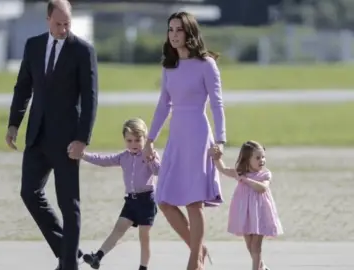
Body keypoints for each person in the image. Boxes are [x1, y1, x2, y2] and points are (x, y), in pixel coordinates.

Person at [4, 0, 98, 269]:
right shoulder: (33, 46)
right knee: (29, 193)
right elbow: (23, 87)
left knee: (69, 204)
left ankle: (69, 264)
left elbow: (91, 99)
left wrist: (83, 139)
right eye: (58, 24)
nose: (63, 29)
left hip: (68, 141)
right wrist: (13, 124)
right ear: (48, 20)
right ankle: (67, 251)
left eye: (67, 23)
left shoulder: (82, 51)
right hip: (37, 136)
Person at [142, 11, 225, 270]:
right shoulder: (169, 66)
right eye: (170, 30)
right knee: (165, 201)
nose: (174, 34)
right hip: (177, 137)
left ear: (189, 32)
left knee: (193, 201)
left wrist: (220, 141)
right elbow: (162, 106)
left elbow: (217, 104)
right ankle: (199, 249)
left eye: (178, 29)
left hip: (199, 135)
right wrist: (150, 139)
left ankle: (193, 264)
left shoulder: (206, 65)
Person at [81, 118, 159, 270]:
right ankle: (97, 257)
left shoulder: (150, 154)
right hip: (131, 201)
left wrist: (151, 159)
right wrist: (83, 155)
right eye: (129, 140)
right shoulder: (123, 157)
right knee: (118, 230)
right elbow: (103, 160)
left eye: (138, 140)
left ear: (145, 139)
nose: (133, 144)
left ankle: (143, 267)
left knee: (144, 237)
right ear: (124, 140)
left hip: (147, 200)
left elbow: (159, 171)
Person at [208, 141, 283, 270]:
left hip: (260, 213)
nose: (262, 160)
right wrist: (216, 158)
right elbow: (223, 169)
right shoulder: (240, 172)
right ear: (248, 159)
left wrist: (246, 180)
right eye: (258, 158)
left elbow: (263, 188)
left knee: (256, 246)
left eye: (263, 157)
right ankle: (262, 267)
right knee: (249, 245)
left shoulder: (265, 174)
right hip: (245, 212)